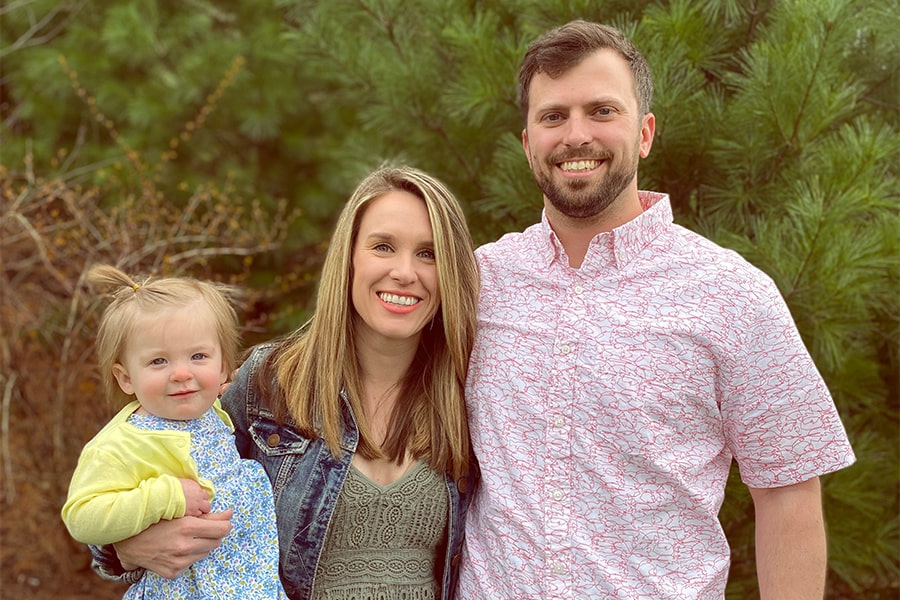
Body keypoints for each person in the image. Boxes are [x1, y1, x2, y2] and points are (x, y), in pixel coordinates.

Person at [457, 20, 856, 600]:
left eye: (601, 111)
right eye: (553, 116)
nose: (576, 135)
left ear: (644, 133)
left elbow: (790, 491)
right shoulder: (477, 282)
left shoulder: (733, 295)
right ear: (527, 143)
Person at [90, 165, 481, 600]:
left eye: (428, 253)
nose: (405, 272)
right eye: (383, 247)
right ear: (349, 258)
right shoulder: (270, 384)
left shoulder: (471, 394)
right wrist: (123, 549)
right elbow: (132, 467)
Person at [62, 265, 287, 598]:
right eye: (158, 362)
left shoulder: (213, 410)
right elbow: (81, 517)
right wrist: (164, 496)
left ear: (223, 366)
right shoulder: (122, 444)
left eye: (198, 356)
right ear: (125, 378)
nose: (182, 373)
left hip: (249, 584)